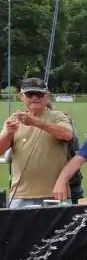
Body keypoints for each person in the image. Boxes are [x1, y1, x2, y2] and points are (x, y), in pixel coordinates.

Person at [0, 77, 73, 208]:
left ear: (47, 96)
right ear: (21, 97)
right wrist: (8, 133)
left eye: (39, 94)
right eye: (29, 94)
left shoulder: (59, 116)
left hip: (55, 194)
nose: (34, 97)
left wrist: (34, 122)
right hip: (20, 195)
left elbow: (67, 135)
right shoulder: (13, 119)